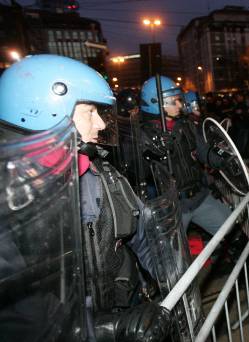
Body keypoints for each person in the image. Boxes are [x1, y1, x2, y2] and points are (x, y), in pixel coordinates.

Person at [0, 55, 172, 342]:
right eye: (90, 112)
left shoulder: (100, 172)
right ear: (45, 111)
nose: (102, 125)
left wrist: (172, 276)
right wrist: (102, 329)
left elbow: (145, 231)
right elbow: (19, 316)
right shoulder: (10, 201)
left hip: (120, 306)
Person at [139, 76, 232, 235]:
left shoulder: (185, 125)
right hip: (171, 207)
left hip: (199, 197)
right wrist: (155, 152)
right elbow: (139, 173)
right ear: (156, 103)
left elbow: (204, 152)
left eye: (179, 100)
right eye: (173, 101)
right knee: (174, 257)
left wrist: (225, 161)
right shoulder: (143, 134)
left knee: (232, 231)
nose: (180, 105)